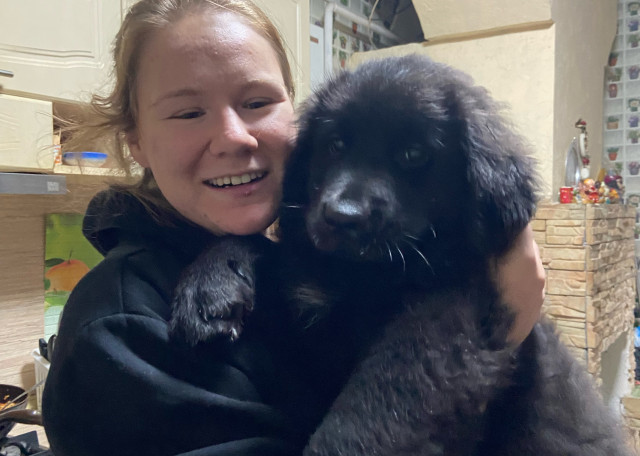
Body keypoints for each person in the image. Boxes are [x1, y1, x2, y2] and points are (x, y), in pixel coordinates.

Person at [41, 1, 546, 455]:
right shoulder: (121, 329)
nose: (233, 137)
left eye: (256, 102)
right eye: (188, 112)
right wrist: (499, 324)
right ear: (136, 141)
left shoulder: (280, 259)